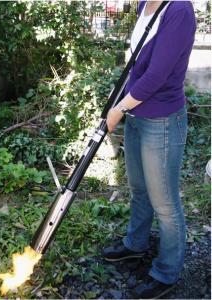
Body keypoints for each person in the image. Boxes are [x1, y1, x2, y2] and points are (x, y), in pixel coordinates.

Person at [102, 1, 196, 299]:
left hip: (162, 121)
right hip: (137, 117)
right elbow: (136, 65)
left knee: (165, 204)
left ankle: (166, 272)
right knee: (139, 189)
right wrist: (118, 100)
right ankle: (135, 244)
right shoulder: (145, 4)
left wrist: (118, 109)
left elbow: (156, 75)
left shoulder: (179, 10)